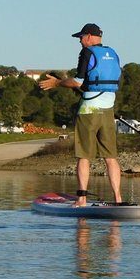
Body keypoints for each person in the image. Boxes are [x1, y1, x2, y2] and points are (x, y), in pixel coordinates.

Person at [38, 23, 122, 207]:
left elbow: (78, 81)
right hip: (108, 109)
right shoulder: (113, 53)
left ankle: (82, 199)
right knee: (111, 157)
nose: (80, 41)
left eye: (81, 37)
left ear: (90, 37)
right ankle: (118, 199)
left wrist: (57, 83)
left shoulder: (87, 53)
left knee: (84, 156)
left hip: (89, 109)